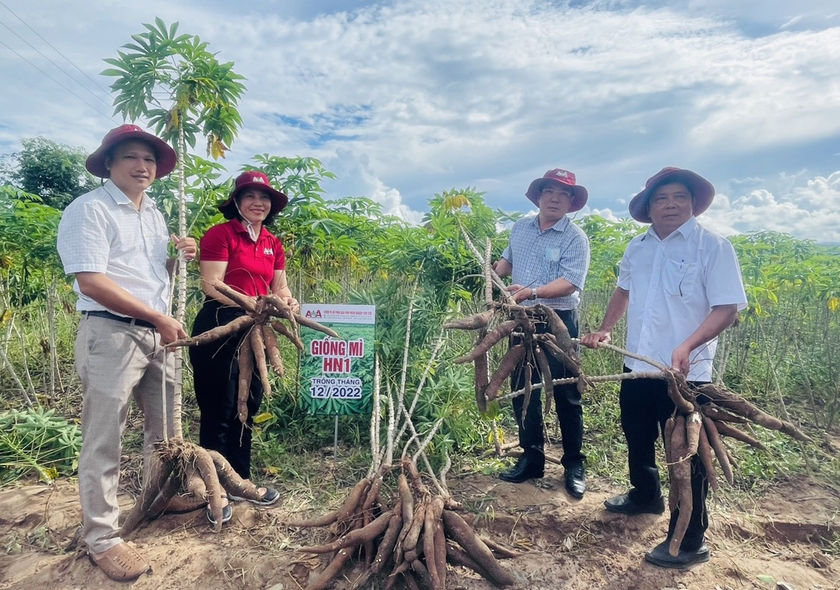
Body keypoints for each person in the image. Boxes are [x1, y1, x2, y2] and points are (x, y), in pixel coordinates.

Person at [581, 167, 747, 568]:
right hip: (638, 364)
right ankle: (645, 496)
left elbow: (727, 307)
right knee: (637, 435)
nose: (670, 205)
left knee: (686, 455)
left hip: (686, 374)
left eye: (679, 197)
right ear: (649, 206)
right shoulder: (637, 247)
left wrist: (688, 345)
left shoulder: (712, 246)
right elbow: (623, 290)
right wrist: (605, 327)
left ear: (692, 203)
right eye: (661, 198)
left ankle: (690, 539)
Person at [57, 125, 197, 581]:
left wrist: (179, 257)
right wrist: (157, 317)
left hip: (158, 332)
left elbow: (152, 273)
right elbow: (92, 281)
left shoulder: (153, 213)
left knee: (166, 428)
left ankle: (159, 497)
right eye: (132, 157)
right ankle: (101, 537)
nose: (142, 167)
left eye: (149, 160)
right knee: (104, 437)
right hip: (112, 333)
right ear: (109, 164)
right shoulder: (90, 209)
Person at [188, 171, 295, 520]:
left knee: (247, 405)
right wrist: (252, 303)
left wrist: (288, 302)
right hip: (221, 324)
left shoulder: (272, 243)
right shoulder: (221, 234)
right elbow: (211, 285)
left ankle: (240, 480)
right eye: (250, 196)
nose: (258, 203)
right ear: (236, 201)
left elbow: (280, 287)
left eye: (264, 198)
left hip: (255, 330)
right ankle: (213, 488)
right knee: (218, 407)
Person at [493, 168, 591, 499]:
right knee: (523, 389)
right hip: (522, 320)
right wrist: (492, 273)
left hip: (558, 320)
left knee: (565, 391)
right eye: (549, 191)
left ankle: (574, 465)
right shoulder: (521, 228)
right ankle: (531, 458)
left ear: (571, 202)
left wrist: (531, 292)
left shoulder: (575, 238)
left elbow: (570, 282)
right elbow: (506, 262)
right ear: (538, 197)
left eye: (563, 194)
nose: (555, 199)